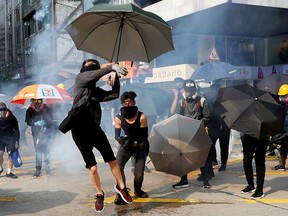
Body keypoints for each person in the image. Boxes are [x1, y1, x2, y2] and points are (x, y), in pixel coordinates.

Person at [58, 59, 132, 212]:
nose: (91, 65)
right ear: (83, 68)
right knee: (92, 167)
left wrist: (115, 78)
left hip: (94, 128)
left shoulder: (95, 91)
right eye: (88, 64)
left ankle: (122, 187)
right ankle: (99, 193)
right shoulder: (80, 79)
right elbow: (92, 75)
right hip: (78, 129)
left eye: (94, 63)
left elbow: (114, 94)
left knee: (112, 159)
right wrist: (111, 67)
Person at [171, 79, 211, 189]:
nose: (190, 93)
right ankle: (184, 180)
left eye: (192, 90)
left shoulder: (202, 101)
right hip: (185, 133)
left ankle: (206, 180)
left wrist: (197, 124)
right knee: (183, 157)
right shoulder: (181, 101)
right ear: (184, 90)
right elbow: (177, 115)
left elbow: (207, 116)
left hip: (198, 132)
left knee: (201, 157)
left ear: (195, 90)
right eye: (188, 90)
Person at [114, 91, 150, 205]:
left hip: (140, 145)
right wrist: (120, 139)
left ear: (134, 102)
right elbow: (117, 135)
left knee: (138, 173)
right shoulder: (119, 118)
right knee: (117, 166)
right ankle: (122, 191)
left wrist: (136, 142)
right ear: (122, 104)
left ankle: (138, 190)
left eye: (130, 102)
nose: (128, 104)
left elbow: (144, 135)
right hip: (126, 145)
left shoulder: (142, 116)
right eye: (125, 102)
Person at [203, 82, 231, 172]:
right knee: (211, 145)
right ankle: (214, 161)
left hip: (224, 125)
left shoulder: (225, 100)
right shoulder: (208, 99)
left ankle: (223, 163)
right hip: (213, 125)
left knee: (224, 145)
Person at [25, 98, 53, 177]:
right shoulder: (30, 110)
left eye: (39, 101)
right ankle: (38, 169)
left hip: (46, 132)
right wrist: (35, 123)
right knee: (38, 152)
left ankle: (48, 169)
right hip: (36, 133)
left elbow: (50, 120)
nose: (37, 103)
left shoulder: (47, 109)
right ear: (32, 101)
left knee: (47, 151)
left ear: (42, 101)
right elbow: (27, 121)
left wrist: (45, 123)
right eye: (35, 101)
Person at [240, 134, 269, 199]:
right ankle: (250, 185)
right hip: (249, 135)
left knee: (259, 162)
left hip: (263, 136)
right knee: (246, 161)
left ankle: (259, 190)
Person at [0, 102, 20, 179]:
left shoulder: (12, 117)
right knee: (0, 153)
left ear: (7, 109)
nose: (2, 111)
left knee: (10, 154)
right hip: (0, 138)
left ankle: (9, 172)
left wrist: (17, 141)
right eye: (0, 110)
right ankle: (0, 168)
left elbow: (16, 130)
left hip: (10, 137)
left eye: (4, 109)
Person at [271, 84, 288, 170]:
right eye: (281, 96)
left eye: (285, 96)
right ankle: (282, 163)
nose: (283, 98)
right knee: (280, 147)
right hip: (282, 130)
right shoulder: (280, 106)